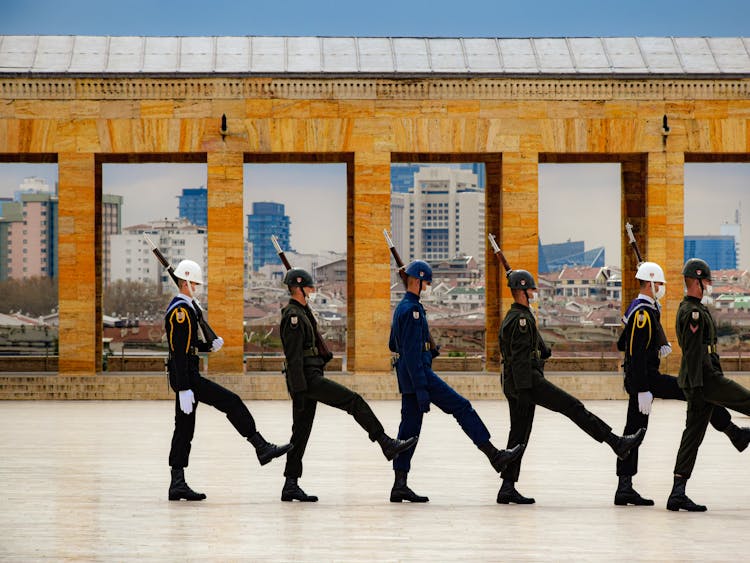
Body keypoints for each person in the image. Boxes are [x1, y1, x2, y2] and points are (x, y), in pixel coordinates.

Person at [499, 269, 646, 504]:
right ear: (522, 291)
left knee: (519, 434)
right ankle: (615, 442)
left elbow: (534, 350)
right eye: (532, 289)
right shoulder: (521, 319)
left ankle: (507, 486)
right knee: (573, 407)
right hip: (527, 382)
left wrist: (541, 353)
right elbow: (518, 359)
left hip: (518, 383)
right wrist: (525, 392)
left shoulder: (519, 316)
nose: (535, 293)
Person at [616, 261, 750, 506]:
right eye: (660, 284)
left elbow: (623, 342)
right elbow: (633, 353)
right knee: (635, 431)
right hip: (645, 381)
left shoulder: (647, 309)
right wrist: (642, 389)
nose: (663, 288)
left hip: (652, 378)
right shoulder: (643, 312)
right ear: (652, 283)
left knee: (647, 427)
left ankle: (733, 435)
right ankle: (624, 486)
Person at [389, 260, 524, 503]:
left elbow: (394, 345)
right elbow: (410, 354)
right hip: (420, 376)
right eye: (426, 283)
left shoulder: (402, 307)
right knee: (461, 407)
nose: (427, 287)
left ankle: (400, 484)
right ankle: (494, 455)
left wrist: (428, 352)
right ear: (418, 281)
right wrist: (422, 388)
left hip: (410, 377)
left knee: (409, 430)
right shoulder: (413, 311)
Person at [280, 268, 418, 502]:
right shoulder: (292, 316)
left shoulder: (302, 312)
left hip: (310, 377)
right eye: (310, 287)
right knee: (353, 400)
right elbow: (293, 357)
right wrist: (300, 390)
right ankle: (385, 442)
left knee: (300, 433)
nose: (313, 291)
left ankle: (290, 484)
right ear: (300, 288)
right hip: (307, 380)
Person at [166, 259, 292, 501]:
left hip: (188, 375)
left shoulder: (188, 307)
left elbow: (189, 346)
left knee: (184, 428)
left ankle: (177, 482)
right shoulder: (180, 312)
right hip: (186, 377)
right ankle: (261, 447)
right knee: (229, 403)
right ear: (184, 283)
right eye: (195, 283)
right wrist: (183, 388)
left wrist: (207, 346)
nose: (198, 286)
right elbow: (179, 351)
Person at [669, 258, 750, 512]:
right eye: (706, 281)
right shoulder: (692, 312)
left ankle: (677, 493)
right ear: (696, 281)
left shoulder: (693, 309)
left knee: (691, 437)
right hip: (705, 380)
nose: (709, 286)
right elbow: (694, 353)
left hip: (700, 382)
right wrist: (699, 388)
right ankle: (738, 436)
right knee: (746, 400)